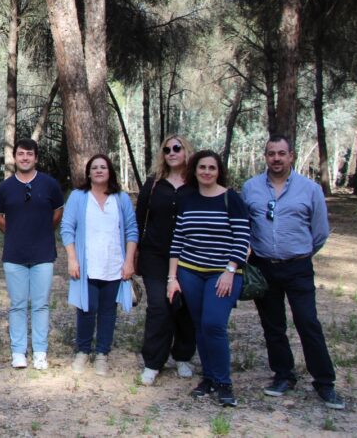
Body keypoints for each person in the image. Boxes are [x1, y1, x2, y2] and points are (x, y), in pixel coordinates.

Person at [241, 135, 345, 410]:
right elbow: (244, 226)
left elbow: (320, 232)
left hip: (298, 266)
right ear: (265, 156)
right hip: (264, 266)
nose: (276, 158)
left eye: (281, 153)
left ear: (291, 156)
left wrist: (301, 252)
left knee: (307, 322)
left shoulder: (310, 189)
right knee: (273, 326)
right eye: (271, 153)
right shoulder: (250, 188)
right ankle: (283, 375)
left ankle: (324, 382)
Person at [168, 150, 250, 407]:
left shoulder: (231, 198)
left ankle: (224, 382)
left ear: (218, 171)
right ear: (194, 170)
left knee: (214, 324)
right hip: (190, 271)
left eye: (211, 168)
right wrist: (172, 277)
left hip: (222, 273)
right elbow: (177, 240)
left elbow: (243, 239)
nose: (206, 172)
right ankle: (209, 378)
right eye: (202, 167)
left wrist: (230, 270)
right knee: (200, 326)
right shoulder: (188, 199)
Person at [60, 154, 137, 377]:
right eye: (94, 168)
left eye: (103, 167)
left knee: (108, 311)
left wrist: (129, 261)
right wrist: (72, 258)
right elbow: (67, 228)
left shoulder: (120, 198)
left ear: (110, 171)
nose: (99, 171)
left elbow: (132, 230)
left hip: (114, 265)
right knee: (86, 308)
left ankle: (102, 353)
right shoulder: (78, 197)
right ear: (88, 173)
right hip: (87, 266)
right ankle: (83, 351)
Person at [0, 138, 63, 370]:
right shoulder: (5, 187)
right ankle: (18, 351)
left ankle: (40, 352)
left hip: (43, 253)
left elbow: (57, 212)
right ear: (15, 157)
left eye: (29, 154)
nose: (25, 158)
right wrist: (14, 232)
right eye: (21, 154)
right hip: (14, 255)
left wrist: (43, 231)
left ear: (36, 158)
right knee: (18, 305)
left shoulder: (50, 184)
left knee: (41, 305)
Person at [135, 135, 198, 386]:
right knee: (159, 306)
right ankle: (153, 362)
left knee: (185, 306)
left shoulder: (196, 184)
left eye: (177, 148)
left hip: (189, 255)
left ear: (186, 152)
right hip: (155, 255)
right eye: (167, 149)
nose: (171, 152)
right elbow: (139, 220)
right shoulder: (153, 184)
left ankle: (182, 355)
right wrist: (133, 254)